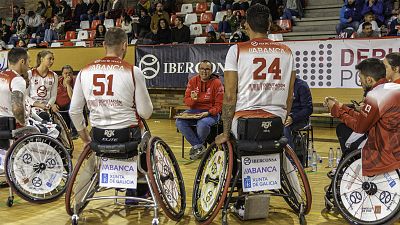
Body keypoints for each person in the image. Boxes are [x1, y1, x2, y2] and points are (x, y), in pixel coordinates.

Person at [69, 27, 153, 203]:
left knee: (94, 154)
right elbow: (146, 112)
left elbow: (74, 111)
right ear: (125, 45)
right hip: (127, 137)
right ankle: (136, 190)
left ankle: (79, 200)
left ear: (104, 45)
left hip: (99, 136)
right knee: (148, 143)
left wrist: (85, 138)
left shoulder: (84, 72)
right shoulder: (133, 71)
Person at [215, 3, 295, 148]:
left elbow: (229, 96)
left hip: (245, 123)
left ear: (247, 25)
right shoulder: (287, 52)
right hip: (277, 122)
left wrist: (225, 133)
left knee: (228, 143)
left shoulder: (236, 50)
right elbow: (290, 97)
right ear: (269, 24)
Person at [325, 58, 400, 176]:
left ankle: (347, 170)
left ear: (369, 79)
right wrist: (342, 107)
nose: (360, 83)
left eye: (360, 79)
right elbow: (364, 118)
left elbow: (359, 127)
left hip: (385, 150)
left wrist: (336, 111)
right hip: (394, 144)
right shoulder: (392, 88)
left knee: (347, 135)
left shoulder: (375, 95)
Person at [176, 60, 224, 160]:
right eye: (202, 69)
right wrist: (193, 100)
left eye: (207, 69)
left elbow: (219, 106)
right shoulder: (193, 81)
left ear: (211, 71)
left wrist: (207, 113)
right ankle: (199, 147)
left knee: (202, 123)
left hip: (211, 113)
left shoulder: (217, 83)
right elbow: (187, 101)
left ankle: (198, 149)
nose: (204, 71)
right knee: (179, 121)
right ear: (198, 70)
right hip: (194, 111)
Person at [0, 47, 29, 136]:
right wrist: (23, 124)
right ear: (22, 62)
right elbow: (17, 108)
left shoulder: (1, 75)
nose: (29, 65)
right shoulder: (17, 80)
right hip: (12, 127)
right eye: (28, 61)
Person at [283, 77, 313, 149]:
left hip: (299, 119)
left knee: (284, 127)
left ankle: (290, 158)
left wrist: (293, 117)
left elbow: (308, 109)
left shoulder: (301, 85)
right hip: (282, 115)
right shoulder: (279, 85)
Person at [26, 50, 58, 114]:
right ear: (42, 59)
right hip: (32, 107)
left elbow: (53, 96)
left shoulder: (54, 75)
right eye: (49, 59)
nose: (52, 61)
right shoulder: (30, 73)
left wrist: (48, 105)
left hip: (46, 107)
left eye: (53, 59)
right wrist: (37, 104)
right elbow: (25, 95)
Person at [54, 65, 77, 138]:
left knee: (73, 106)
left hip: (69, 105)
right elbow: (52, 94)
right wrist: (53, 104)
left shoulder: (75, 81)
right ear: (62, 74)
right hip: (59, 105)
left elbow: (72, 98)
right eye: (66, 73)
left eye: (70, 73)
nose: (68, 75)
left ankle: (74, 132)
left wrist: (68, 84)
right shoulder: (57, 81)